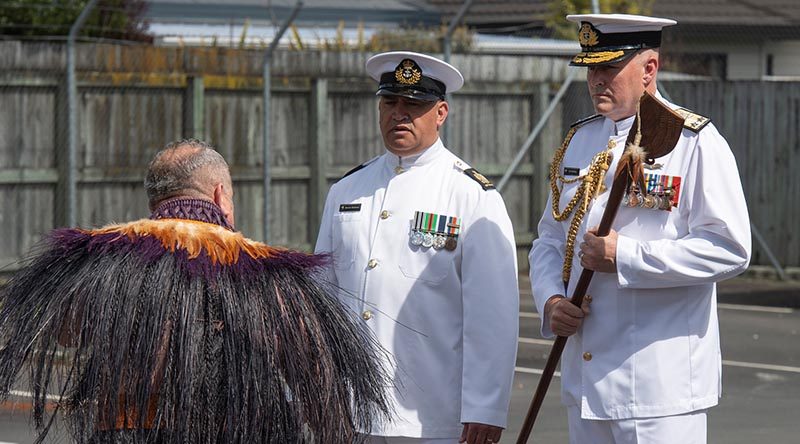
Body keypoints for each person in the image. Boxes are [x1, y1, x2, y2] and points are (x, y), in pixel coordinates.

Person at [0, 139, 390, 444]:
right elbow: (312, 368)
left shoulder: (103, 261)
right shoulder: (262, 271)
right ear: (221, 195)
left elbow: (66, 330)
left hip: (122, 430)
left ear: (155, 201)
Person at [529, 14, 752, 444]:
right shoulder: (580, 140)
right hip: (587, 380)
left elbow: (729, 247)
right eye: (591, 68)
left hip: (658, 388)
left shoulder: (694, 141)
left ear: (649, 68)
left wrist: (625, 257)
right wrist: (550, 301)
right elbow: (550, 240)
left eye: (609, 67)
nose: (596, 80)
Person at [315, 51, 519, 444]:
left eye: (414, 105)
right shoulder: (346, 190)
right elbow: (323, 298)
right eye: (390, 102)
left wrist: (486, 408)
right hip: (352, 410)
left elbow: (493, 316)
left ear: (440, 113)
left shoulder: (470, 195)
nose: (399, 114)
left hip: (431, 415)